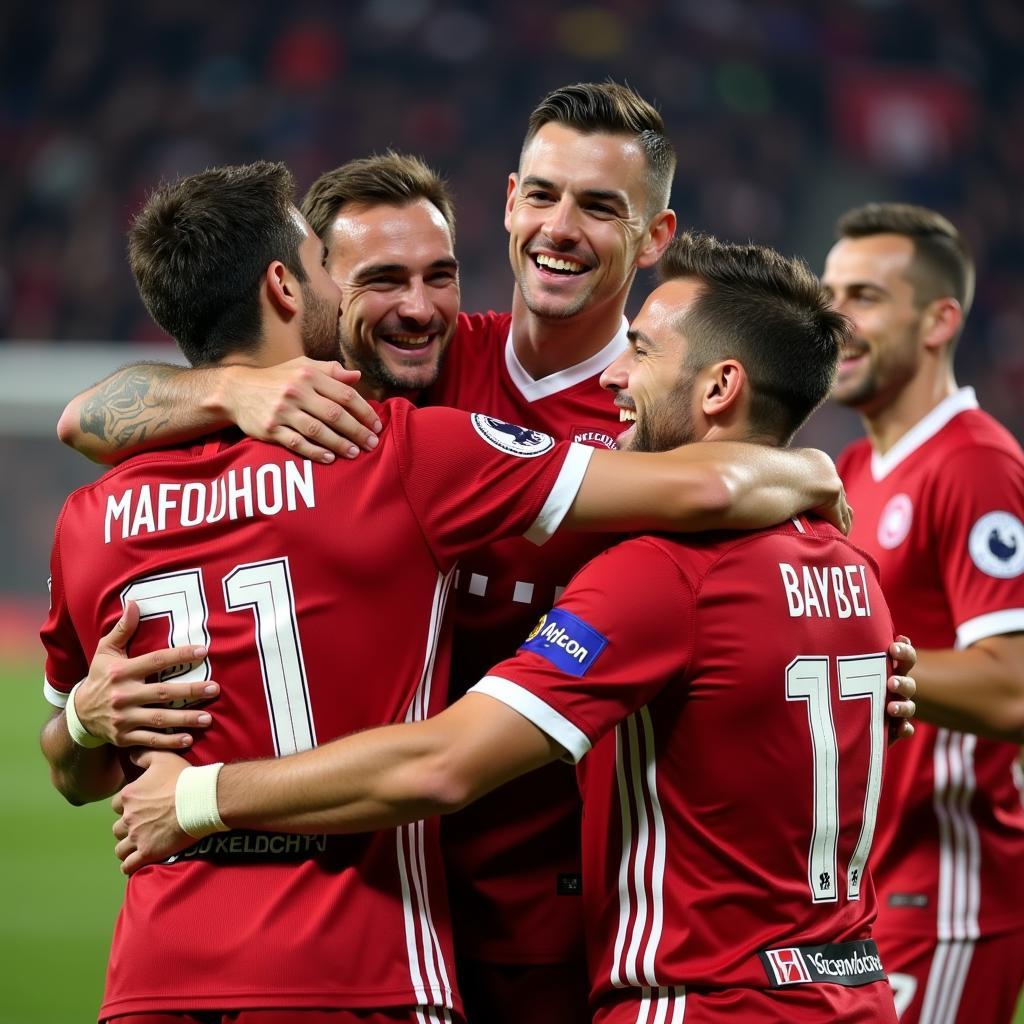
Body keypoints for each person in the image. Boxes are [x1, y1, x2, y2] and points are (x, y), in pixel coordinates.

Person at [41, 164, 848, 1024]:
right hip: (360, 969)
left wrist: (86, 719)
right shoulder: (402, 454)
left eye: (440, 276)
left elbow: (73, 770)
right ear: (286, 285)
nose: (419, 307)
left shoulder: (89, 515)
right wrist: (809, 466)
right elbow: (714, 491)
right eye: (334, 266)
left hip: (154, 979)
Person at [821, 202, 1024, 1023]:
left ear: (940, 319)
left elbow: (1014, 689)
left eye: (865, 296)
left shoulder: (975, 466)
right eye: (829, 293)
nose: (836, 319)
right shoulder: (856, 464)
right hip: (872, 881)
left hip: (947, 895)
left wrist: (851, 666)